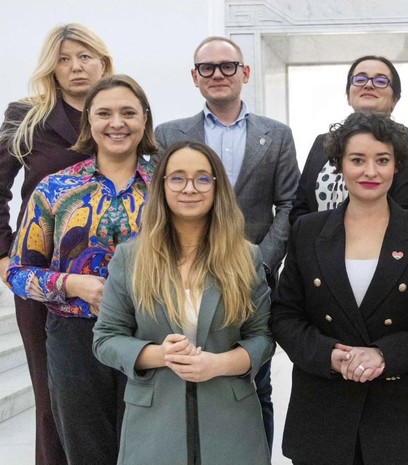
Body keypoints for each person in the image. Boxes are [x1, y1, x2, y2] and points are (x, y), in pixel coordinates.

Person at [271, 112, 408, 465]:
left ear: (397, 166)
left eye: (382, 160)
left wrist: (384, 354)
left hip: (401, 419)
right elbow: (285, 315)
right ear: (339, 164)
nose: (370, 172)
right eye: (357, 160)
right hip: (322, 417)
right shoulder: (308, 230)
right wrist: (329, 355)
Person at [154, 35, 300, 450]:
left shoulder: (276, 135)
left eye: (227, 66)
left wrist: (260, 262)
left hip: (252, 280)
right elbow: (159, 201)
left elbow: (290, 204)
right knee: (188, 377)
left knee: (256, 381)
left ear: (245, 73)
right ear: (195, 77)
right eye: (207, 67)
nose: (217, 74)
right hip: (184, 276)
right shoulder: (169, 134)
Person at [93, 141, 274, 465]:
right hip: (153, 429)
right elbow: (106, 339)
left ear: (217, 187)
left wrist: (217, 364)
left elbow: (262, 338)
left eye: (202, 178)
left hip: (231, 428)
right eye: (177, 178)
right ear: (162, 186)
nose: (189, 188)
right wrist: (161, 354)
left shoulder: (246, 257)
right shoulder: (130, 259)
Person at [6, 74, 155, 465]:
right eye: (104, 113)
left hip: (152, 334)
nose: (116, 123)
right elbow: (18, 273)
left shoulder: (167, 187)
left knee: (147, 451)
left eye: (128, 113)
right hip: (74, 338)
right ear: (89, 120)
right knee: (86, 452)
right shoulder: (55, 189)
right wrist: (71, 283)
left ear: (145, 119)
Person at [0, 24, 113, 465]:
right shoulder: (26, 116)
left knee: (113, 391)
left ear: (102, 62)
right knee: (51, 398)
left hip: (113, 274)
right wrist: (4, 252)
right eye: (64, 59)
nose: (75, 67)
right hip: (42, 273)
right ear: (52, 67)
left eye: (84, 57)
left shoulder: (117, 110)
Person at [290, 55, 408, 222]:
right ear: (348, 95)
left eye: (380, 81)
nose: (368, 85)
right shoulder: (322, 141)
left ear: (395, 98)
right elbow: (301, 207)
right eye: (360, 79)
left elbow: (407, 210)